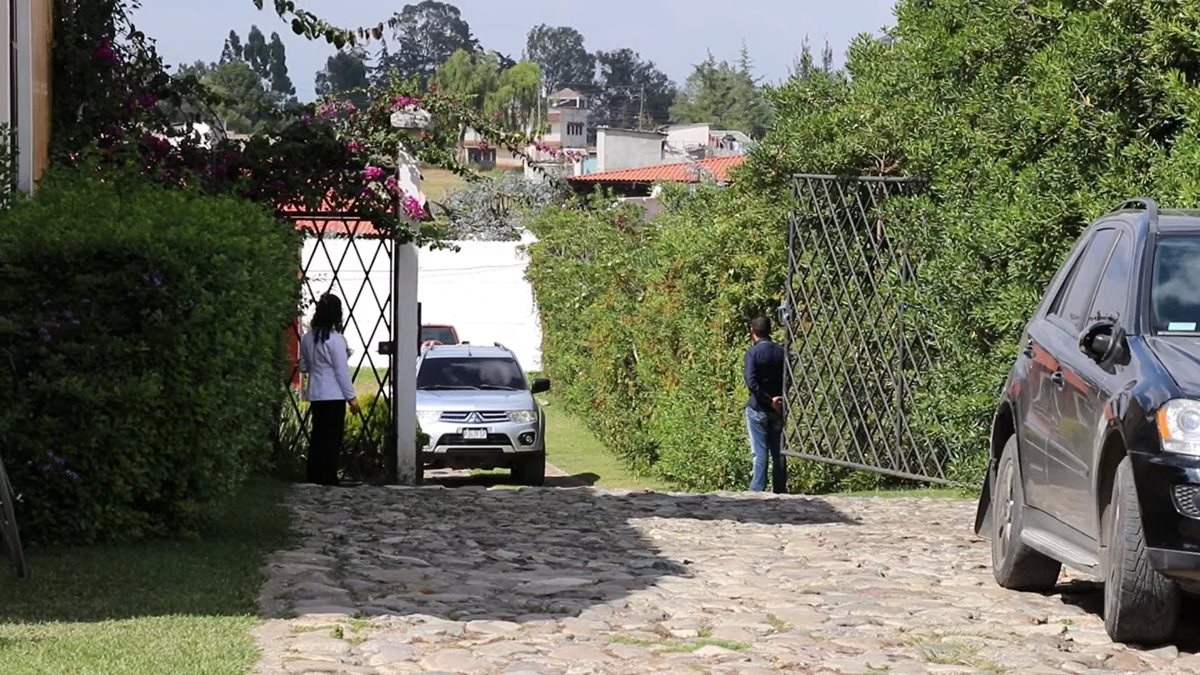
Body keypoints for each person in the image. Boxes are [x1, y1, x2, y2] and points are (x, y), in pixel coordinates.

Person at [298, 294, 361, 486]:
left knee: (318, 435)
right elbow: (341, 372)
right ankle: (328, 475)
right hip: (334, 394)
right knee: (332, 437)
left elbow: (303, 366)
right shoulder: (336, 340)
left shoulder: (307, 338)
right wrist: (352, 398)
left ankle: (314, 474)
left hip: (316, 393)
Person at [744, 314, 787, 493]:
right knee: (778, 451)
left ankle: (757, 488)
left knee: (760, 452)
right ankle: (780, 487)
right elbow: (788, 378)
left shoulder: (752, 353)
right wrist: (777, 400)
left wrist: (767, 400)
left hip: (758, 407)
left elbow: (751, 381)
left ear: (752, 331)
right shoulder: (781, 351)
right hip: (778, 408)